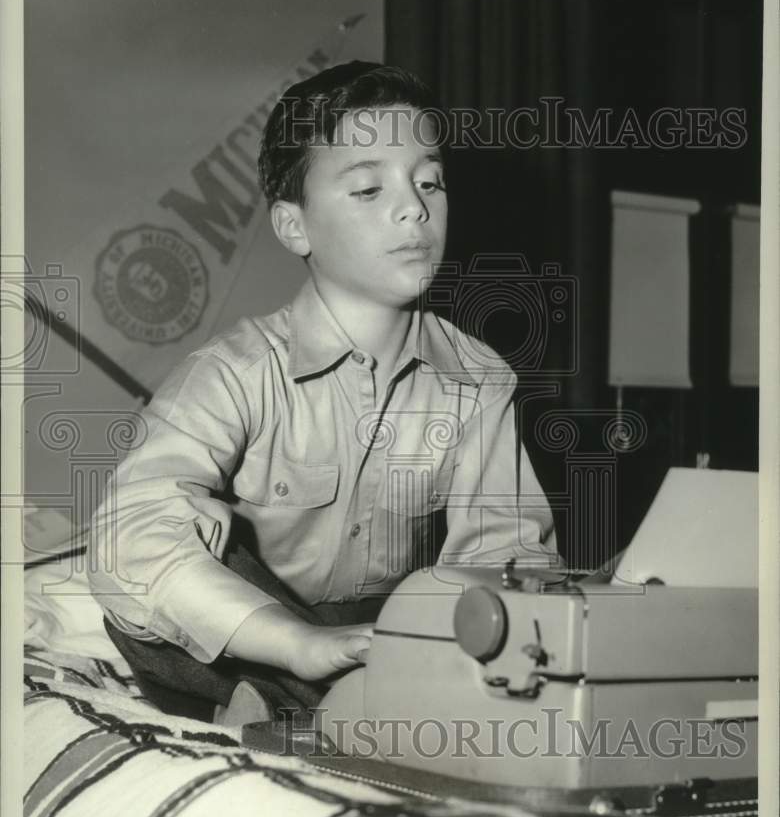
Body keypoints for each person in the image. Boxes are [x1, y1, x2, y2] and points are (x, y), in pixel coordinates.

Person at [87, 61, 557, 727]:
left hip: (381, 635)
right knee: (149, 597)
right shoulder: (232, 372)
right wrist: (297, 642)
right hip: (255, 637)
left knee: (502, 614)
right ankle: (318, 711)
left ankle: (314, 716)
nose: (414, 206)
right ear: (294, 227)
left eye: (430, 181)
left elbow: (503, 556)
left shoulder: (479, 381)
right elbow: (128, 537)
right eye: (368, 189)